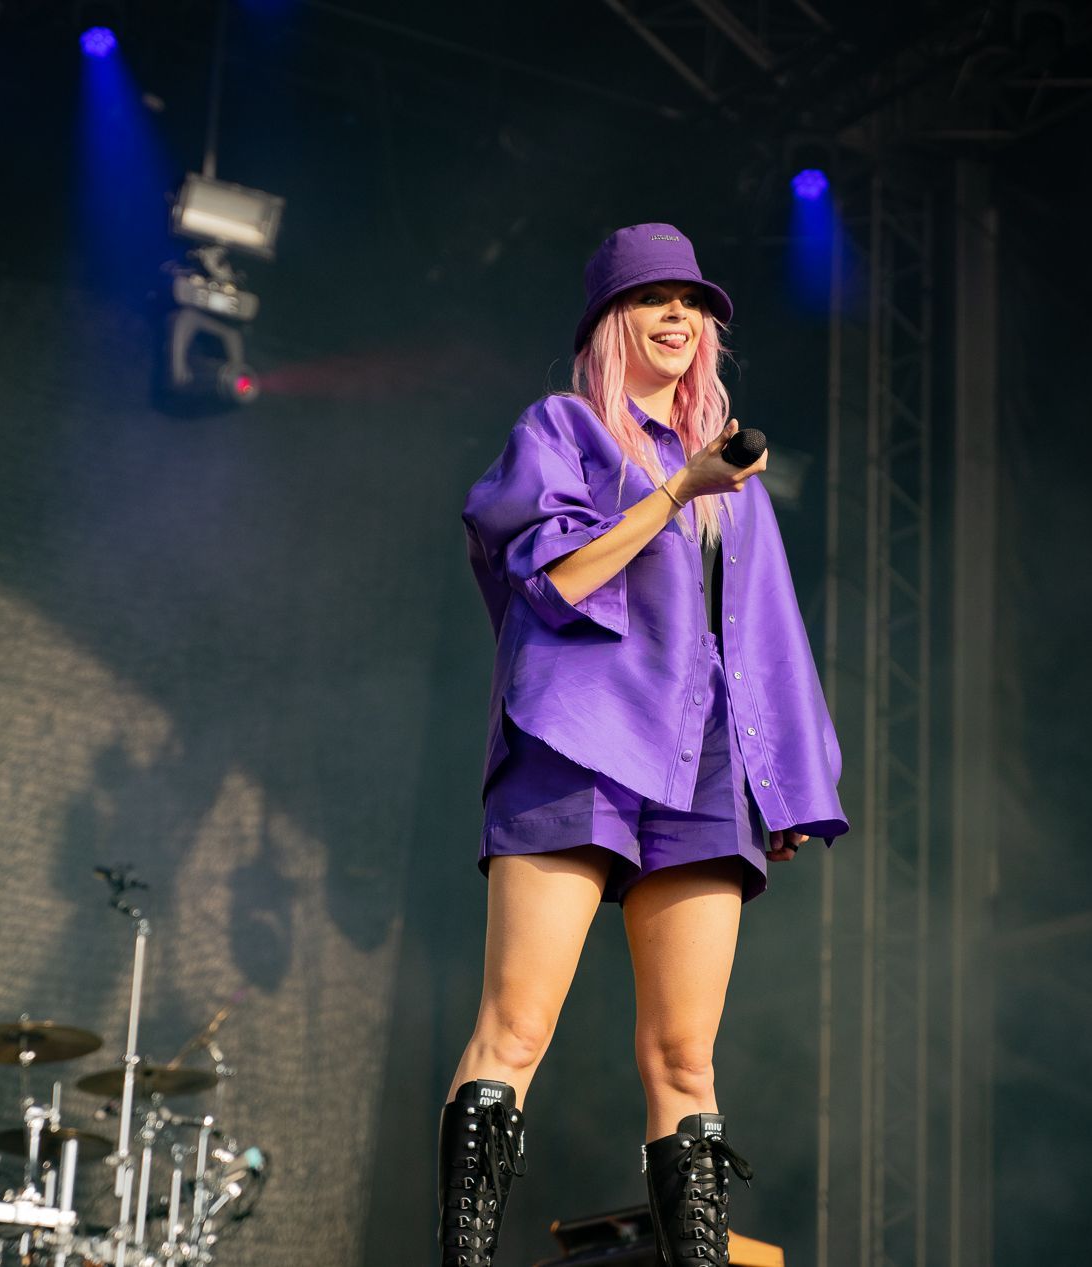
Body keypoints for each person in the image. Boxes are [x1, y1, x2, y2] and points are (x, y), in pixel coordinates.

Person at [440, 224, 849, 1267]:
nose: (679, 314)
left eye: (693, 301)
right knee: (515, 1029)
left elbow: (762, 628)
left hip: (702, 759)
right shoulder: (564, 427)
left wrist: (782, 781)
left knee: (686, 1060)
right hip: (579, 735)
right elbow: (555, 580)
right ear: (609, 322)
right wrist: (674, 493)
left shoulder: (727, 476)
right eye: (653, 297)